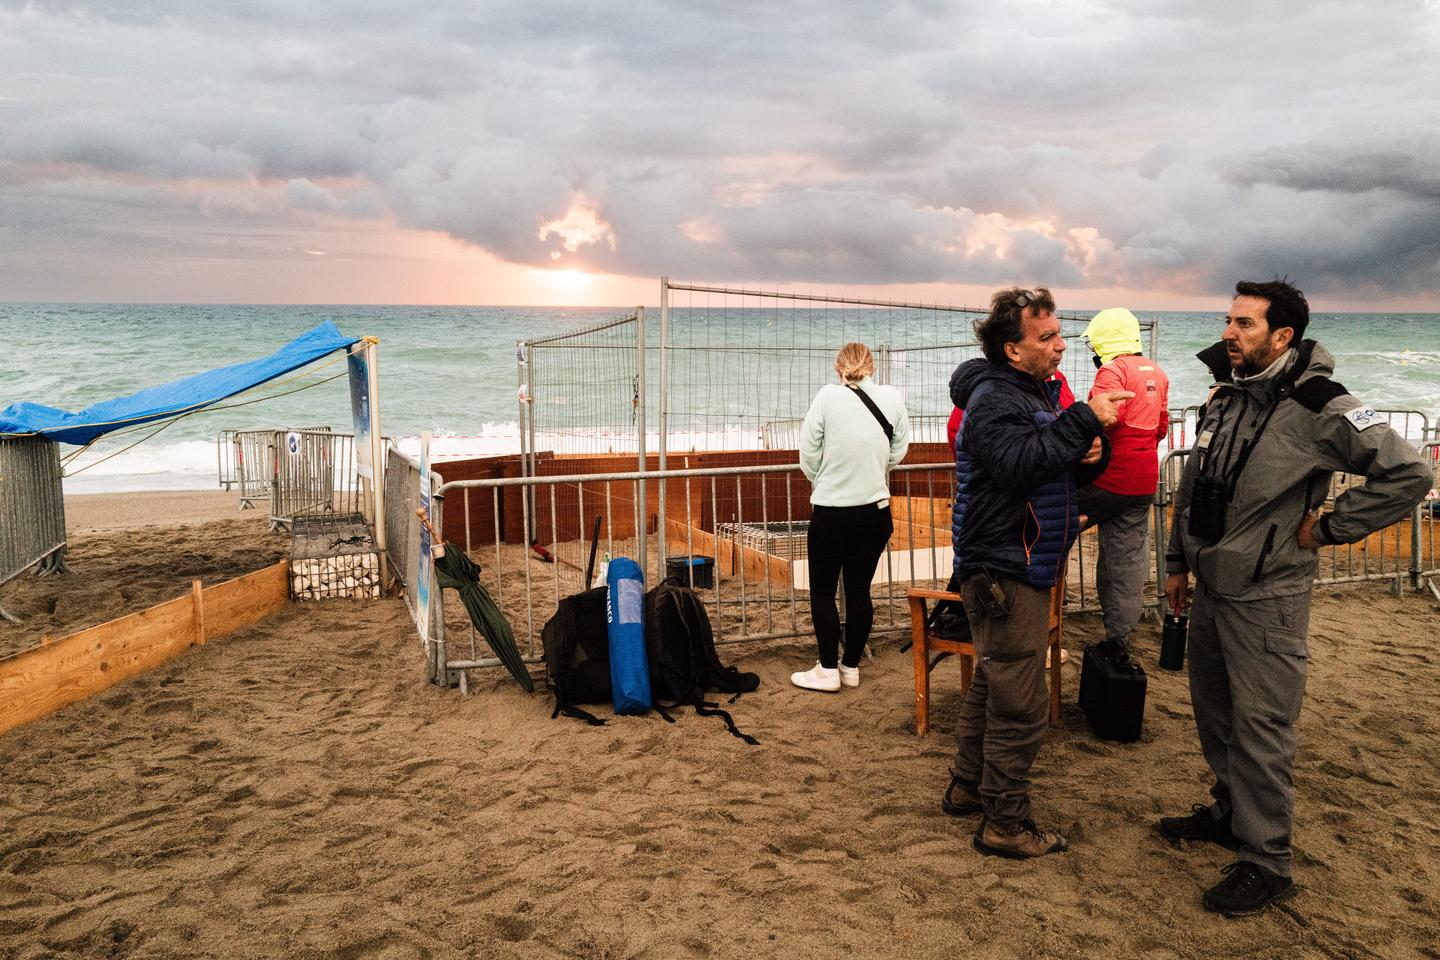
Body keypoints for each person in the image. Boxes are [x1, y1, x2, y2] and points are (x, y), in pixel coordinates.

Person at [1161, 279, 1430, 916]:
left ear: (1283, 336)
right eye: (1229, 320)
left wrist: (1332, 526)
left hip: (1268, 595)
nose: (1229, 332)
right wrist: (1177, 560)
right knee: (1215, 712)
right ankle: (1230, 814)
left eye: (1245, 324)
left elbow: (1409, 471)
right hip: (1212, 586)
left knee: (1261, 728)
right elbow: (1196, 483)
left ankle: (1267, 861)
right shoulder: (1226, 393)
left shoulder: (1321, 404)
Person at [942, 287, 1131, 858]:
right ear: (1012, 349)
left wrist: (1086, 452)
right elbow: (1018, 466)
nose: (1060, 346)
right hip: (1005, 563)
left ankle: (966, 788)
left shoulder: (1027, 391)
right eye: (1045, 337)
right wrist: (1082, 421)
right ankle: (1004, 822)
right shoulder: (999, 398)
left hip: (1014, 556)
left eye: (1058, 333)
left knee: (993, 681)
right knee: (1021, 703)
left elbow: (1044, 461)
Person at [793, 342, 910, 692]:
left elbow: (808, 452)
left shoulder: (827, 397)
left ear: (838, 367)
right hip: (875, 511)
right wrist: (873, 469)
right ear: (872, 367)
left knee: (824, 592)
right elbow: (899, 448)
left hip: (832, 511)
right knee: (860, 592)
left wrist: (824, 476)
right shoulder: (892, 397)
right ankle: (851, 665)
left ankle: (827, 668)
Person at [1077, 308, 1170, 656]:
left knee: (1046, 523)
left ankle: (1036, 622)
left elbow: (1102, 416)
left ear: (1102, 341)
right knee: (1125, 561)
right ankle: (1118, 638)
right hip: (1144, 481)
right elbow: (1161, 427)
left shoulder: (1111, 370)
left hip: (1109, 478)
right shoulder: (1157, 373)